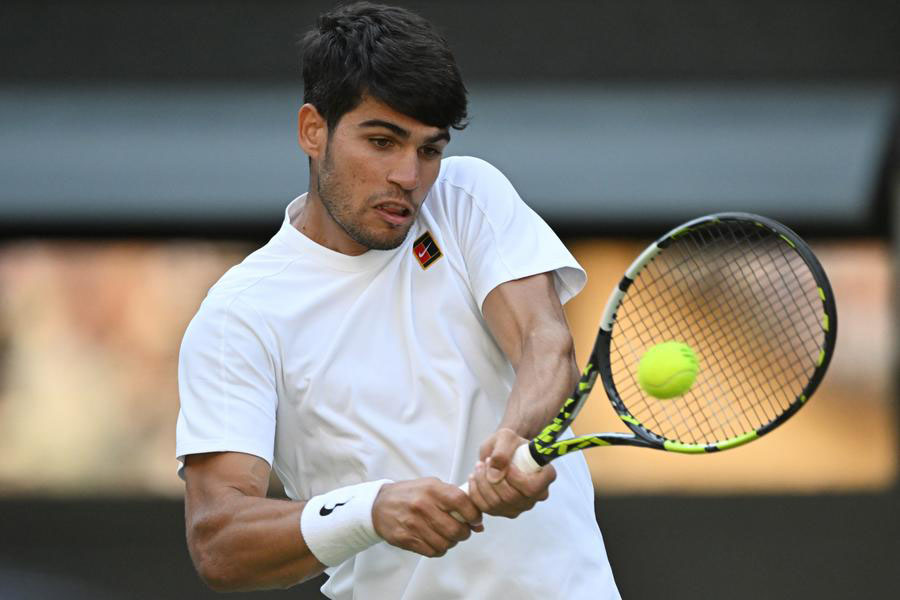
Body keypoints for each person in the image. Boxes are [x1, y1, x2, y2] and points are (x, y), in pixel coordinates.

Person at [176, 2, 619, 598]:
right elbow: (219, 540)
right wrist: (370, 511)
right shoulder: (239, 317)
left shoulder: (465, 196)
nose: (409, 176)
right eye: (382, 141)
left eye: (428, 150)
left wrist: (516, 437)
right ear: (313, 130)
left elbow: (545, 343)